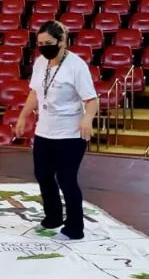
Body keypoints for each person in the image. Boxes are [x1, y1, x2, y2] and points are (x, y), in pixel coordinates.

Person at [14, 20, 99, 240]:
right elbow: (34, 93)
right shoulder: (40, 63)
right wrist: (23, 117)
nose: (43, 47)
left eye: (48, 43)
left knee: (66, 178)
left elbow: (92, 100)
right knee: (43, 175)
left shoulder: (76, 66)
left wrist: (87, 119)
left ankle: (74, 227)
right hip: (45, 131)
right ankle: (53, 217)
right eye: (40, 43)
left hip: (70, 133)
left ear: (62, 41)